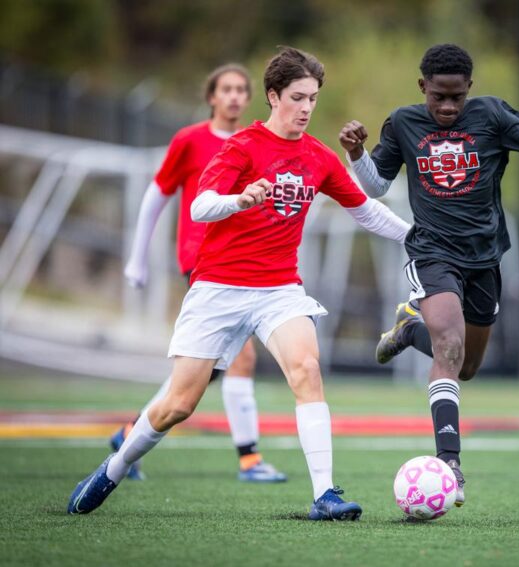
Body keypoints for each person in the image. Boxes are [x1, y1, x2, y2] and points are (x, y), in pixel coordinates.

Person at [68, 46, 411, 519]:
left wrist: (418, 236)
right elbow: (199, 207)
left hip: (279, 290)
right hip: (218, 288)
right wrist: (241, 199)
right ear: (272, 96)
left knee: (307, 370)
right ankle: (114, 467)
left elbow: (367, 211)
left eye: (313, 97)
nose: (307, 107)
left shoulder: (319, 157)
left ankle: (325, 495)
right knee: (178, 404)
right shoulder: (242, 147)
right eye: (297, 97)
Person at [339, 43, 519, 506]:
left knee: (465, 366)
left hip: (485, 257)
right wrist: (358, 152)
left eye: (457, 97)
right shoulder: (403, 122)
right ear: (422, 87)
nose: (447, 107)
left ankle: (409, 331)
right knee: (449, 346)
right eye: (438, 97)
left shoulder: (491, 115)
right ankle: (450, 464)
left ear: (470, 90)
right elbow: (376, 185)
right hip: (432, 251)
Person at [118, 63, 285, 483]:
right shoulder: (189, 141)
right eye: (225, 89)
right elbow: (156, 196)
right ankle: (249, 459)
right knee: (241, 356)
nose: (233, 96)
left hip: (246, 260)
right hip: (204, 259)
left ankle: (128, 435)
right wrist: (137, 258)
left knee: (204, 369)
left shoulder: (258, 141)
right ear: (211, 96)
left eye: (240, 90)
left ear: (252, 98)